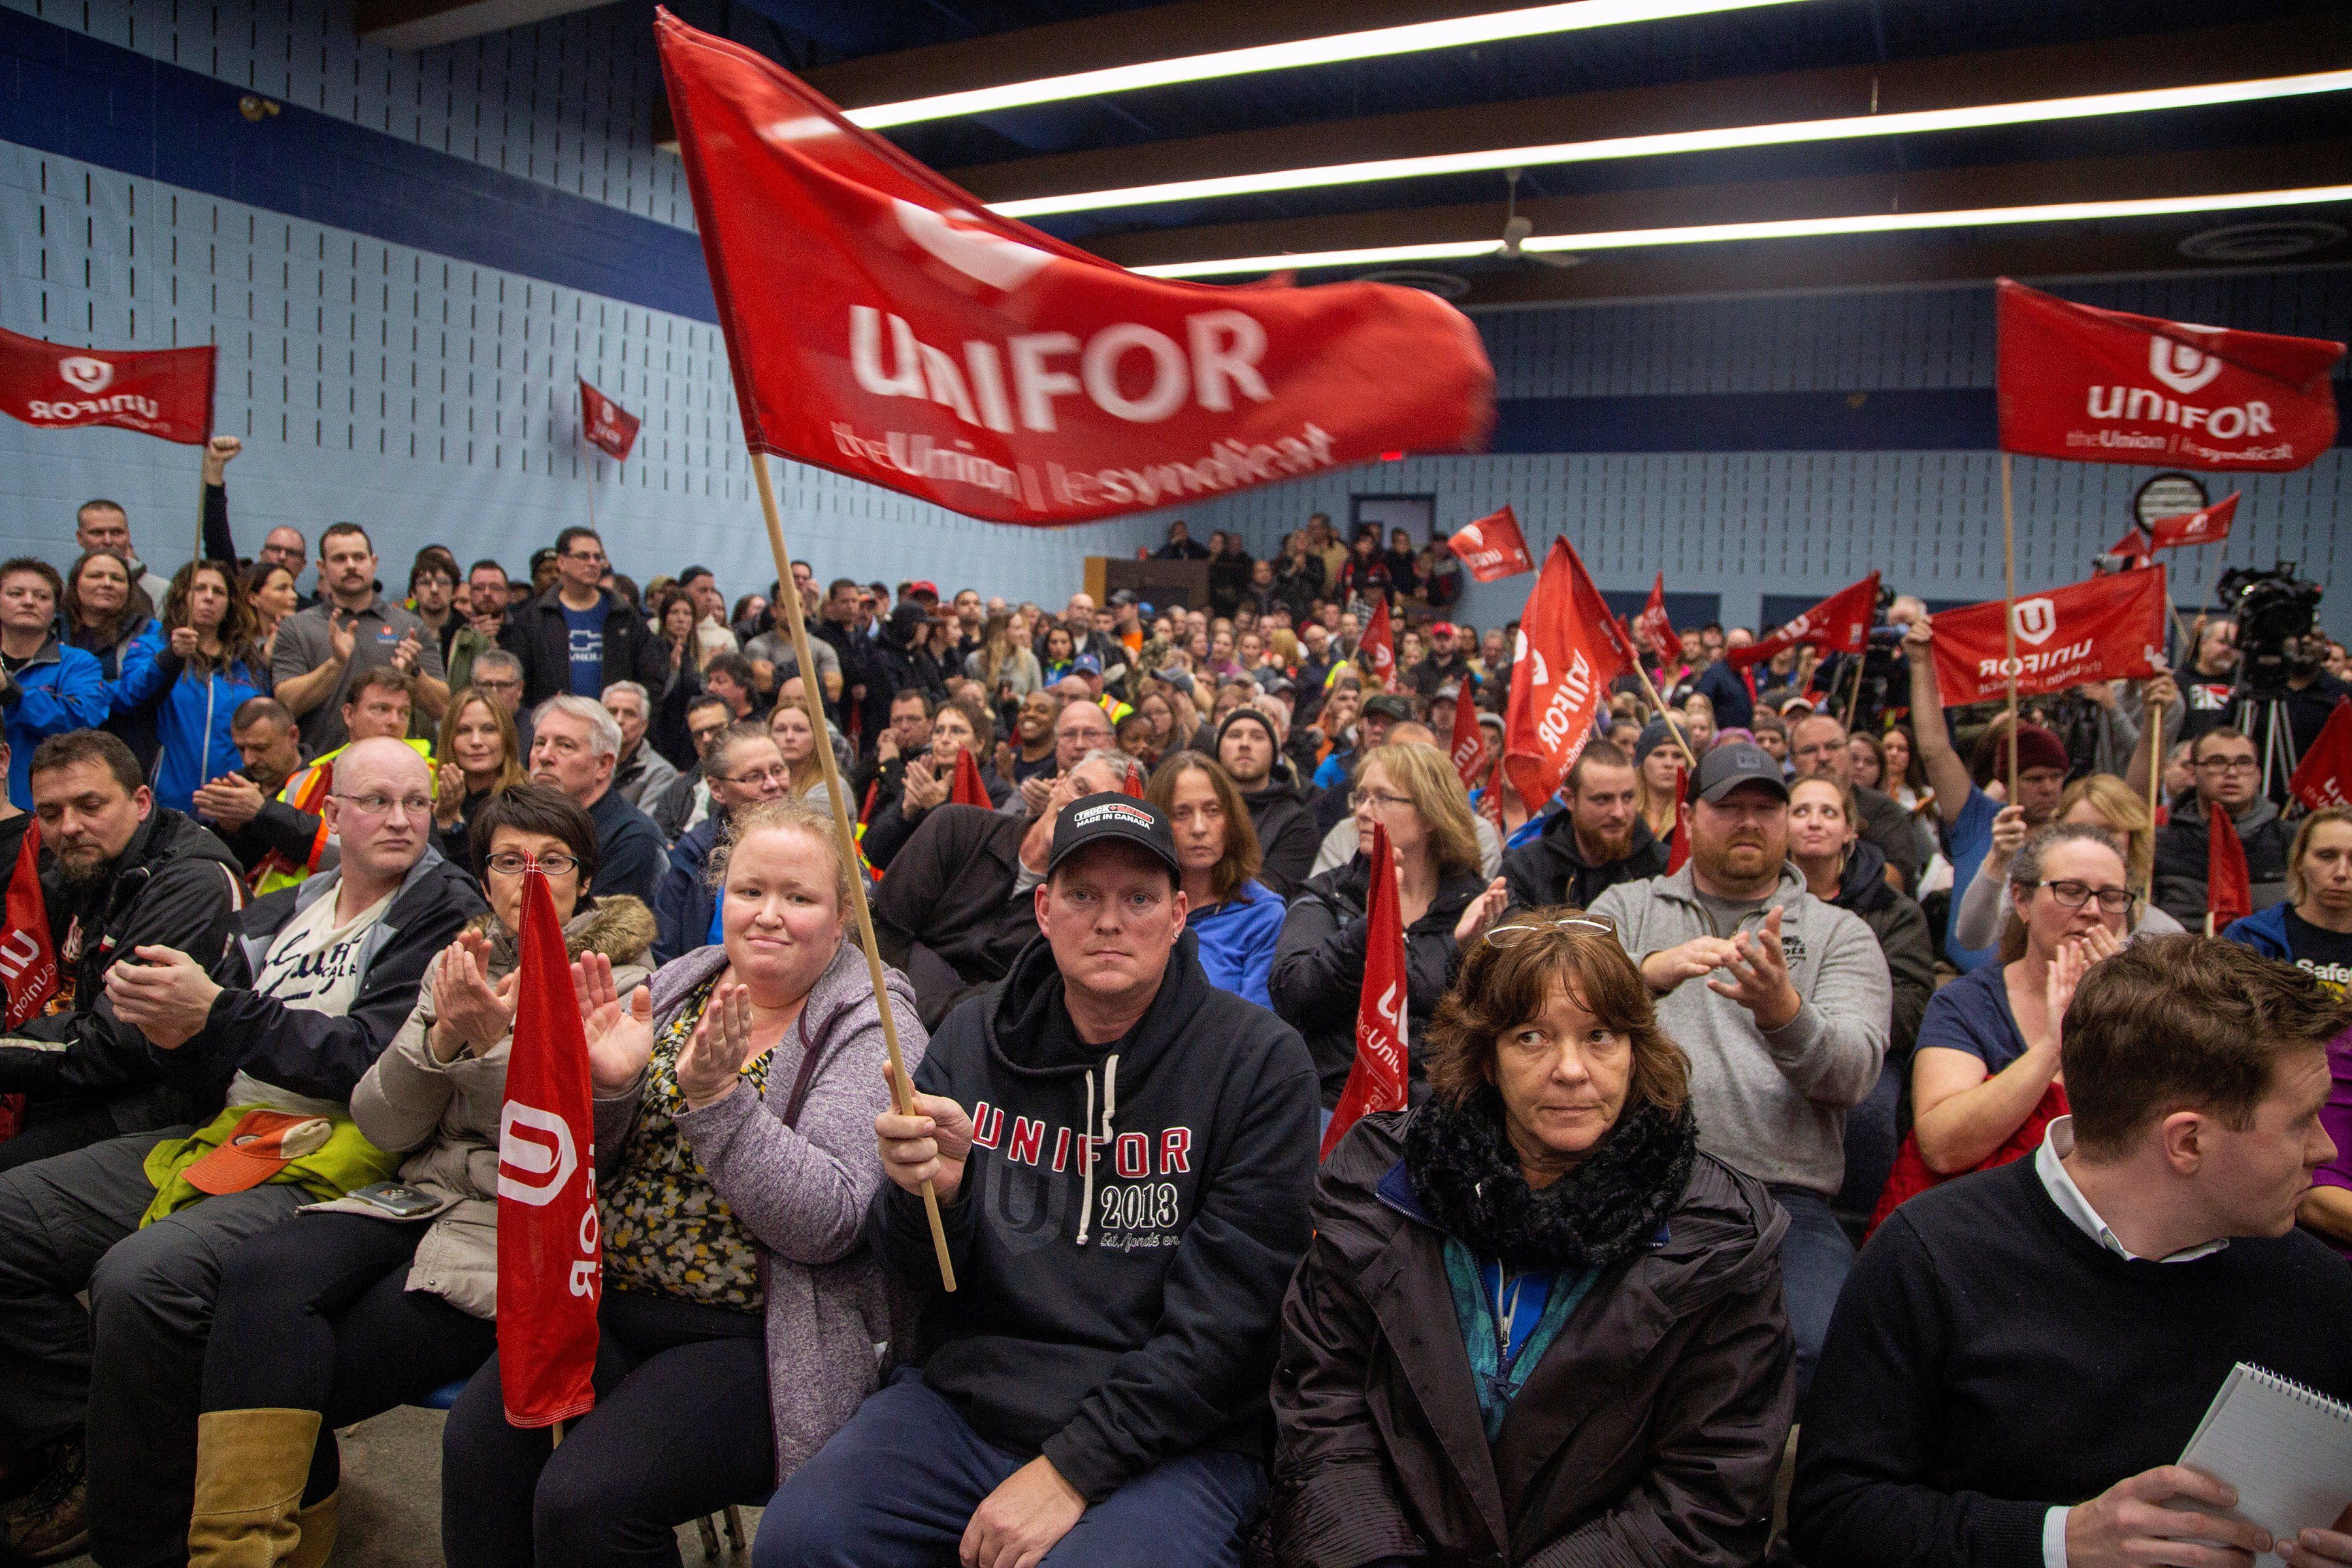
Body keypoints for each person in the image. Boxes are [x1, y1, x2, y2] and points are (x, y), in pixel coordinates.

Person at [753, 791, 1316, 1568]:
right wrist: (933, 1200)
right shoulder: (973, 1037)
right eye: (1083, 895)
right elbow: (916, 1273)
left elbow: (1230, 1327)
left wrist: (1072, 1469)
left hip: (1177, 1437)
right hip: (970, 1406)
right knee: (798, 1539)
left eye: (1139, 898)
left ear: (1180, 913)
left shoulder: (1259, 1064)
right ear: (1044, 909)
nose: (1110, 921)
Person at [0, 738, 484, 1567]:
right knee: (8, 1220)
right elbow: (204, 1056)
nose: (401, 819)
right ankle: (107, 1433)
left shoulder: (444, 908)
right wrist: (167, 1025)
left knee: (141, 1278)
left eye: (416, 802)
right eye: (376, 801)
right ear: (333, 814)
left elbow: (373, 1061)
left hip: (344, 1153)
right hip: (225, 1130)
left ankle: (140, 1538)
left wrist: (215, 1013)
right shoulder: (284, 908)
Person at [435, 797, 916, 1567]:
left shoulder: (872, 1025)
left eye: (800, 898)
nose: (768, 915)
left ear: (843, 917)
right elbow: (591, 1165)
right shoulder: (683, 985)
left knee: (587, 1502)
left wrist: (719, 1102)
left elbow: (829, 1222)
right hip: (610, 1302)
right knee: (484, 1443)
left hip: (758, 1335)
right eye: (751, 890)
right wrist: (615, 1089)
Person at [188, 784, 653, 1565]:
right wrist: (441, 1040)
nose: (530, 879)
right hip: (416, 1199)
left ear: (585, 877)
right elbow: (382, 1122)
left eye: (552, 861)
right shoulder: (461, 958)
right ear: (483, 878)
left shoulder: (622, 978)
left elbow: (583, 1149)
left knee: (305, 1369)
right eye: (509, 860)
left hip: (517, 1233)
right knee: (263, 1270)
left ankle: (275, 1542)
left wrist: (483, 1053)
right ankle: (232, 1554)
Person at [1790, 935, 2352, 1568]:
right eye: (2301, 1121)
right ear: (2187, 1143)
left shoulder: (2319, 1290)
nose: (2327, 1151)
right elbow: (1833, 1515)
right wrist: (2060, 1541)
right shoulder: (1933, 1257)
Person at [1274, 913, 1794, 1567]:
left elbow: (1706, 1497)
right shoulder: (1377, 1187)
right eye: (1533, 1037)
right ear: (1488, 1058)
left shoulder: (1719, 1239)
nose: (1571, 1070)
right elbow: (1324, 1416)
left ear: (1637, 1050)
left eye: (1600, 1036)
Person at [1589, 744, 1890, 1394]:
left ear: (1785, 824)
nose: (1750, 822)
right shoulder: (1626, 907)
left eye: (1765, 808)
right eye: (1730, 808)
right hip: (1637, 1178)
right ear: (1691, 818)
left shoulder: (1841, 934)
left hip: (1782, 1199)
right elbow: (1559, 1006)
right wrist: (1644, 974)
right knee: (1598, 1342)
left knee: (1820, 1349)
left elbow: (1854, 1075)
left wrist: (1783, 1012)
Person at [0, 731, 248, 1169]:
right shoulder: (76, 871)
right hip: (85, 1083)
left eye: (90, 806)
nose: (69, 827)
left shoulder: (190, 883)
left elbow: (116, 1044)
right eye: (51, 813)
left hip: (164, 1105)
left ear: (141, 802)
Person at [1874, 824, 2130, 1232]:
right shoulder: (1967, 1004)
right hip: (1981, 1226)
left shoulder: (2148, 1009)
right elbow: (1942, 1147)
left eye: (2112, 897)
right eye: (2071, 890)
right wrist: (2052, 1048)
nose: (2094, 910)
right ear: (2022, 901)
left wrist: (2129, 1008)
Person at [1273, 743, 1511, 1109]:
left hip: (1443, 1106)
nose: (1363, 812)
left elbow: (1497, 1023)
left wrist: (1467, 955)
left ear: (1431, 815)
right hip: (1339, 1105)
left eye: (1382, 798)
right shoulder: (1329, 895)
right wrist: (1370, 931)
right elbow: (1292, 993)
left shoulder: (1477, 905)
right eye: (1362, 797)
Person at [1784, 776, 1936, 1226]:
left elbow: (1912, 1003)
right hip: (1769, 1038)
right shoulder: (1755, 897)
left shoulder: (1893, 911)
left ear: (1850, 830)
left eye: (1828, 813)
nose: (1814, 823)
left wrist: (1833, 1017)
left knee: (1868, 1113)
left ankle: (1858, 1224)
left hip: (1867, 1049)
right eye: (1801, 811)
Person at [1904, 614, 2070, 970]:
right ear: (2007, 782)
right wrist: (1920, 664)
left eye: (2056, 777)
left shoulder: (2075, 834)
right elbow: (1934, 750)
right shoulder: (1978, 819)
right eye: (2035, 778)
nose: (2048, 788)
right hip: (1970, 984)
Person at [196, 666, 429, 894]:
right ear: (348, 714)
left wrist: (262, 811)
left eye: (404, 713)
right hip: (276, 905)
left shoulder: (425, 772)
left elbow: (353, 853)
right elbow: (261, 853)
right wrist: (233, 829)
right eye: (382, 709)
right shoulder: (309, 775)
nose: (394, 722)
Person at [1951, 772, 2186, 951]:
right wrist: (1998, 858)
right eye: (2080, 831)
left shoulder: (2164, 935)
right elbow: (1972, 938)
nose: (2093, 842)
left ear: (2132, 839)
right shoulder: (2031, 895)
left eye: (2108, 831)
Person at [110, 560, 274, 816]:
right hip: (163, 805)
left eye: (219, 592)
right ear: (181, 596)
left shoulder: (249, 663)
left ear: (231, 603)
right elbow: (131, 696)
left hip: (229, 806)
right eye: (199, 589)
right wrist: (172, 656)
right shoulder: (152, 646)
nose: (209, 598)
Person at [271, 523, 449, 752]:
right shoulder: (297, 627)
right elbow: (286, 704)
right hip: (320, 768)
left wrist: (415, 673)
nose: (352, 566)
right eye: (339, 559)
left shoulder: (408, 627)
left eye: (359, 557)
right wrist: (335, 664)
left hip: (391, 770)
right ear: (322, 568)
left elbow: (442, 708)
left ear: (373, 563)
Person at [1149, 753, 1282, 1010]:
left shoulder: (1263, 914)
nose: (1199, 827)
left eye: (1213, 811)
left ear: (1231, 820)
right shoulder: (1136, 904)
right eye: (1182, 813)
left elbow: (1257, 1031)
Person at [653, 721, 789, 964]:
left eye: (778, 770)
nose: (773, 784)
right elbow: (665, 949)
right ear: (717, 789)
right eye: (754, 776)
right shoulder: (694, 853)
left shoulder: (824, 844)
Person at [528, 694, 666, 909]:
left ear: (603, 764)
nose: (544, 756)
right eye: (539, 743)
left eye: (564, 746)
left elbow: (598, 931)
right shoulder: (518, 821)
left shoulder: (634, 838)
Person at [1499, 739, 1668, 911]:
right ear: (1569, 799)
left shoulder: (1664, 868)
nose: (1619, 812)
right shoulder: (1527, 869)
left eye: (1627, 798)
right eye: (1603, 799)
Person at [503, 528, 662, 710]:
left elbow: (650, 677)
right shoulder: (534, 618)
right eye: (584, 556)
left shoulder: (624, 615)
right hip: (553, 727)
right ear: (561, 562)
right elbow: (519, 682)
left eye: (598, 557)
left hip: (611, 727)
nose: (593, 563)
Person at [2153, 726, 2294, 926]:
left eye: (2244, 763)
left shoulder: (2291, 841)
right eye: (2217, 763)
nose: (2232, 772)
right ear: (2194, 773)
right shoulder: (2161, 844)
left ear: (2258, 774)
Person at [0, 560, 108, 809]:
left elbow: (83, 720)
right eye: (16, 594)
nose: (29, 602)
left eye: (42, 596)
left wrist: (10, 692)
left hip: (44, 807)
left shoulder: (79, 663)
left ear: (55, 609)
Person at [860, 697, 1008, 869]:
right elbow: (872, 852)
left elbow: (973, 863)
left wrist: (937, 805)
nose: (944, 739)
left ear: (980, 744)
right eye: (938, 731)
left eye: (957, 731)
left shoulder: (998, 793)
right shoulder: (923, 781)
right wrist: (906, 813)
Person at [1787, 711, 1926, 892]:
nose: (1822, 757)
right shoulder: (1779, 805)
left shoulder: (1883, 808)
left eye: (1833, 747)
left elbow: (1896, 880)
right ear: (1793, 760)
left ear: (1848, 753)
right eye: (1810, 750)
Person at [64, 551, 158, 764]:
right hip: (63, 747)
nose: (107, 584)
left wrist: (86, 693)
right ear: (76, 583)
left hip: (128, 750)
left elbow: (140, 689)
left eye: (117, 578)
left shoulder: (148, 631)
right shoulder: (53, 630)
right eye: (96, 576)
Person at [1215, 707, 1318, 897]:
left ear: (1274, 752)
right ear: (1218, 748)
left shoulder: (1296, 821)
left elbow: (1272, 893)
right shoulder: (1197, 807)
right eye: (1235, 735)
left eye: (1257, 737)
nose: (1245, 744)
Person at [431, 686, 527, 865]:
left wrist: (454, 828)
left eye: (489, 729)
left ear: (507, 737)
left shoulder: (526, 805)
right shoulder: (434, 803)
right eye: (464, 730)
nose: (476, 741)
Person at [602, 679, 679, 811]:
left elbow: (644, 828)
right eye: (613, 712)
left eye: (630, 714)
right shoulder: (585, 760)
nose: (619, 720)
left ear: (644, 726)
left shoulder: (660, 772)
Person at [243, 561, 302, 676]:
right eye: (282, 588)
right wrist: (266, 658)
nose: (294, 596)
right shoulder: (235, 644)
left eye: (293, 589)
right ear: (253, 598)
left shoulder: (300, 636)